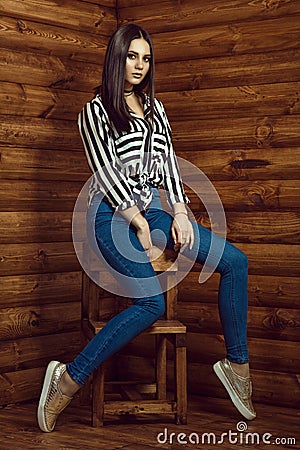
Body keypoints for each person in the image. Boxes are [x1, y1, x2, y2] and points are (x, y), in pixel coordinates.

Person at [37, 23, 256, 433]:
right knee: (150, 305)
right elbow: (104, 172)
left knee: (235, 262)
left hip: (153, 209)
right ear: (116, 58)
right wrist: (137, 223)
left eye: (146, 58)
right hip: (110, 216)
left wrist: (180, 211)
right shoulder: (95, 110)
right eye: (132, 56)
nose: (139, 65)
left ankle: (237, 366)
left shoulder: (155, 108)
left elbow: (169, 164)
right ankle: (66, 381)